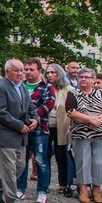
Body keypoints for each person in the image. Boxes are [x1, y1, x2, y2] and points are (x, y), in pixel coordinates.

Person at [0, 59, 39, 203]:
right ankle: (12, 201)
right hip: (6, 134)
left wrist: (35, 118)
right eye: (17, 70)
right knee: (9, 169)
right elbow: (0, 112)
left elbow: (30, 105)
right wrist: (18, 125)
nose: (20, 74)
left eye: (22, 70)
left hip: (21, 135)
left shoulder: (21, 86)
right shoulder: (1, 87)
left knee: (20, 165)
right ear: (7, 71)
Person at [65, 68, 102, 203]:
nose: (83, 79)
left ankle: (97, 190)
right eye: (81, 77)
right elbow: (71, 112)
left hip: (99, 133)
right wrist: (90, 119)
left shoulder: (101, 93)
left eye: (87, 77)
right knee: (83, 162)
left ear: (93, 80)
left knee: (98, 162)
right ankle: (83, 190)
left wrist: (98, 120)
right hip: (81, 134)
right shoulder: (73, 93)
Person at [16, 58, 55, 203]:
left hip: (40, 130)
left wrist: (34, 118)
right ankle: (20, 188)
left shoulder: (47, 87)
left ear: (39, 71)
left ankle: (42, 191)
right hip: (23, 129)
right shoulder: (20, 86)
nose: (27, 72)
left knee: (41, 161)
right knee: (22, 161)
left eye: (31, 69)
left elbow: (48, 105)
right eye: (26, 69)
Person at [45, 63, 73, 194]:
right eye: (48, 73)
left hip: (61, 127)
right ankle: (45, 183)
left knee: (61, 155)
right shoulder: (44, 87)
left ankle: (63, 183)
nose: (50, 75)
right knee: (44, 156)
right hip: (45, 125)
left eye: (53, 72)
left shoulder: (68, 89)